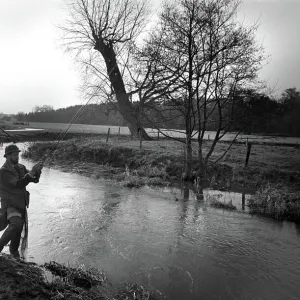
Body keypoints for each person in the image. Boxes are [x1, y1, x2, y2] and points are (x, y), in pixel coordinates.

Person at [0, 144, 43, 259]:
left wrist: (37, 172)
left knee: (18, 230)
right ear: (7, 156)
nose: (17, 156)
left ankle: (14, 253)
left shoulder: (21, 167)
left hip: (21, 203)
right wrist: (32, 172)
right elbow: (19, 184)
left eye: (18, 154)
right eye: (15, 155)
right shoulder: (4, 171)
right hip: (10, 205)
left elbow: (33, 179)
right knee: (16, 224)